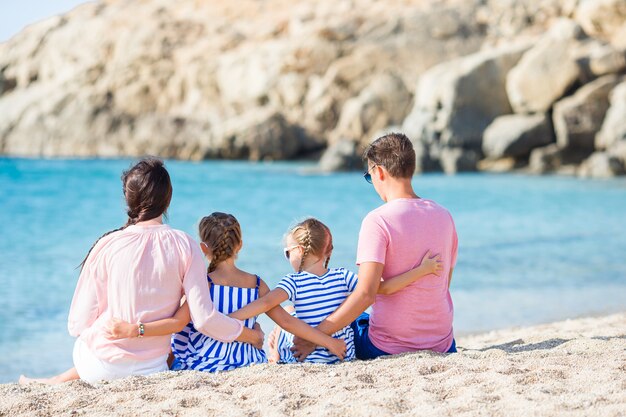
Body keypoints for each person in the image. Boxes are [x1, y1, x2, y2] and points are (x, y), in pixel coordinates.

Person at [19, 158, 263, 385]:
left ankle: (51, 382)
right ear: (168, 200)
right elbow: (204, 319)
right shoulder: (185, 244)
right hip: (152, 369)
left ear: (129, 200)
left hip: (99, 368)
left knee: (90, 344)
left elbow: (77, 325)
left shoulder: (107, 244)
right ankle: (52, 381)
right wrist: (249, 335)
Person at [105, 212, 347, 371]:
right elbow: (287, 322)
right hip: (248, 360)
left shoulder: (203, 284)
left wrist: (135, 329)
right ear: (240, 245)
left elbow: (178, 323)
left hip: (205, 359)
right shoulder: (256, 284)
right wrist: (326, 341)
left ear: (203, 248)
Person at [291, 133, 458, 361]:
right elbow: (443, 283)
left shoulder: (378, 221)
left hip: (388, 347)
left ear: (379, 172)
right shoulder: (444, 216)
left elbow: (366, 295)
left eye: (369, 176)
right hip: (443, 343)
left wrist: (314, 337)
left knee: (350, 321)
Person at [227, 217, 444, 364]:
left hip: (307, 358)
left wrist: (230, 318)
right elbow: (384, 288)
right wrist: (422, 270)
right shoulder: (343, 275)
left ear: (299, 251)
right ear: (326, 251)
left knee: (286, 318)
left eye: (287, 252)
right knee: (294, 310)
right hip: (343, 354)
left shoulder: (293, 281)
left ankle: (275, 355)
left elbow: (266, 303)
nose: (287, 257)